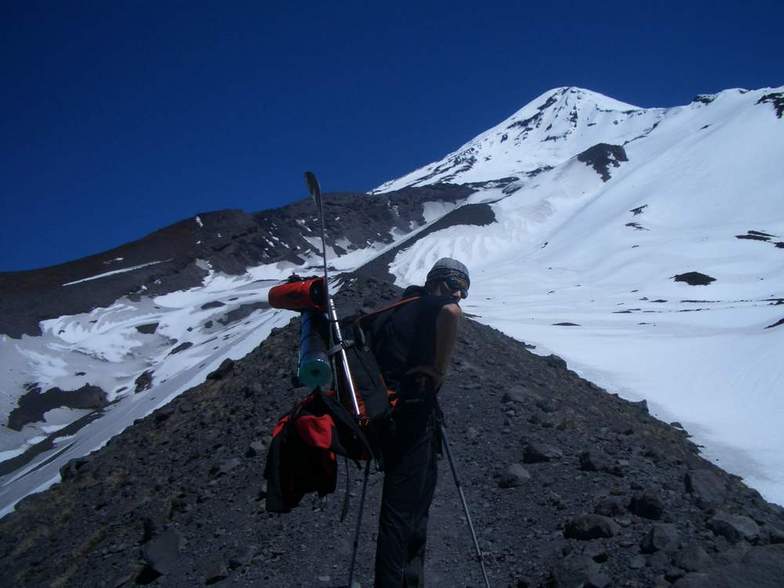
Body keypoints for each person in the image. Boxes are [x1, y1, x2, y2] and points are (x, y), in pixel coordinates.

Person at [372, 257, 469, 587]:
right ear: (439, 281)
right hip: (413, 419)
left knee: (400, 508)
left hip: (386, 418)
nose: (458, 297)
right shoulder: (434, 303)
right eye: (456, 287)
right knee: (403, 514)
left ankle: (408, 579)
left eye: (463, 292)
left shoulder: (395, 308)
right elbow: (451, 313)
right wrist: (439, 371)